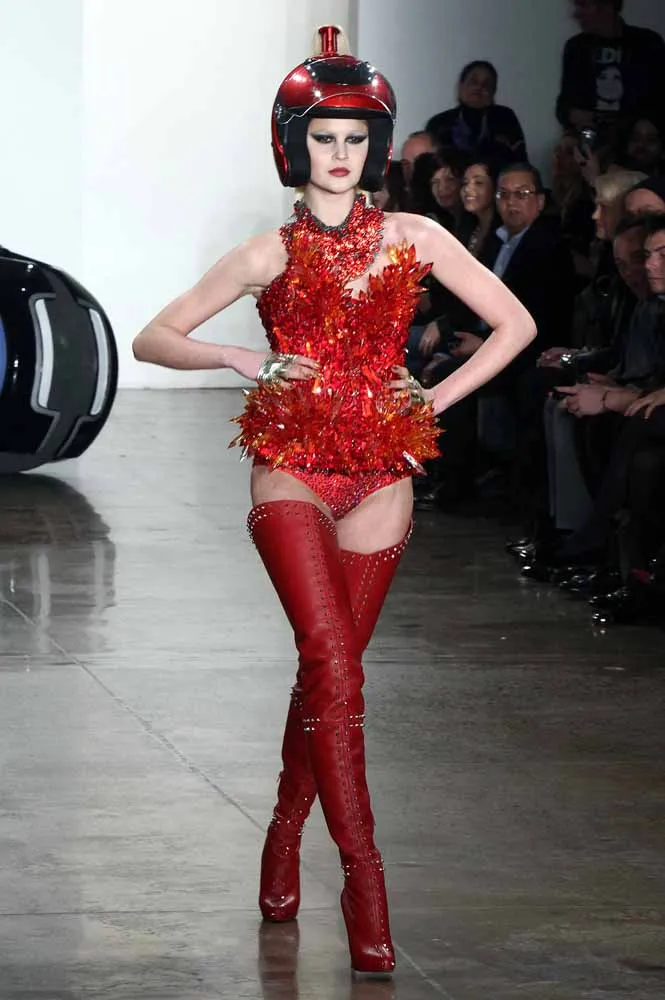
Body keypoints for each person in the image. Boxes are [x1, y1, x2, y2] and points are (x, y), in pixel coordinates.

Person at [132, 26, 535, 977]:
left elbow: (515, 323)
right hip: (291, 464)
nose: (341, 155)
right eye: (324, 138)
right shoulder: (265, 253)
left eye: (356, 138)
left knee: (332, 673)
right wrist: (241, 356)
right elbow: (152, 337)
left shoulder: (414, 238)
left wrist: (432, 398)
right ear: (294, 144)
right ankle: (364, 884)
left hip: (381, 473)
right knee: (329, 663)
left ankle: (283, 832)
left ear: (377, 145)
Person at [556, 0, 665, 134]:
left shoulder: (647, 44)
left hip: (635, 140)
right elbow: (564, 106)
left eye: (584, 5)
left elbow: (658, 104)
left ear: (607, 6)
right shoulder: (576, 47)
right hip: (589, 139)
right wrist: (571, 115)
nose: (576, 14)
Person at [426, 61, 527, 162]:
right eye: (473, 81)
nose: (479, 87)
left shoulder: (505, 117)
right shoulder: (439, 123)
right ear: (461, 86)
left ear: (493, 92)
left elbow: (521, 162)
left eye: (487, 84)